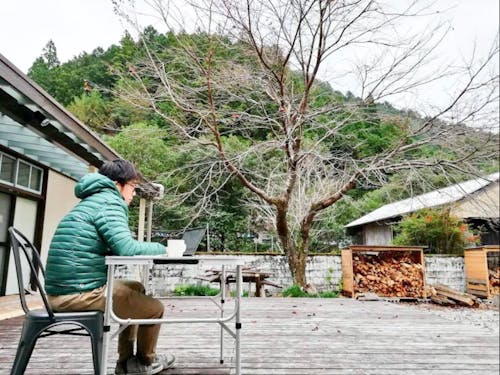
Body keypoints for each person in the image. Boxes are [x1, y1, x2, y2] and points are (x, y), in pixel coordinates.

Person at [45, 159, 175, 375]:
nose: (133, 193)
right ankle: (145, 362)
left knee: (135, 286)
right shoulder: (110, 202)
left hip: (66, 289)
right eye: (132, 186)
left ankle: (125, 362)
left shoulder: (94, 200)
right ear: (118, 185)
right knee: (154, 308)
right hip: (77, 294)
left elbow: (115, 247)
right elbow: (126, 248)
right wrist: (164, 248)